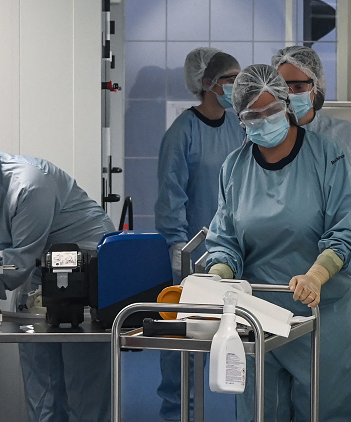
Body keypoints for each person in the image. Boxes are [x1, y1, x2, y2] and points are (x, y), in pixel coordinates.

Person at [205, 64, 351, 421]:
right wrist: (218, 275)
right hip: (258, 321)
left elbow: (349, 229)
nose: (265, 121)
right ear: (240, 119)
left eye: (272, 111)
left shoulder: (329, 157)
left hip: (322, 319)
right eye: (254, 115)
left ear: (287, 105)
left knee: (329, 411)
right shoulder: (234, 168)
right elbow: (225, 239)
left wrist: (316, 275)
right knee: (262, 413)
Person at [0, 143, 115, 422]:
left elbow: (18, 262)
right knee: (41, 380)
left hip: (83, 269)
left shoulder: (30, 185)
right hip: (38, 272)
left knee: (83, 379)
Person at [154, 47, 244, 421]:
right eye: (231, 80)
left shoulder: (239, 125)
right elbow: (170, 196)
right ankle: (177, 413)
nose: (237, 88)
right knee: (184, 352)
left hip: (233, 254)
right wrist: (178, 248)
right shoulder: (181, 133)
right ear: (208, 83)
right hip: (191, 255)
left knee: (237, 346)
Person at [272, 45, 351, 311]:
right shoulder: (262, 141)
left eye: (298, 86)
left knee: (336, 349)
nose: (290, 95)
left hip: (338, 284)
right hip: (277, 284)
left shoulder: (343, 137)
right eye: (282, 87)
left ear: (317, 87)